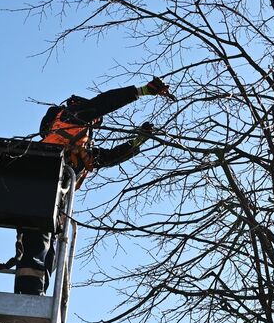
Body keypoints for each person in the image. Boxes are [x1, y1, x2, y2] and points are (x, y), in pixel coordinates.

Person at [14, 77, 170, 295]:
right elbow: (104, 102)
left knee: (48, 251)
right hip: (40, 186)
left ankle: (35, 293)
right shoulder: (71, 116)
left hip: (52, 202)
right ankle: (29, 295)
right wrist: (142, 91)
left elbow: (108, 157)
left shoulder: (80, 149)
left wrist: (137, 141)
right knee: (36, 245)